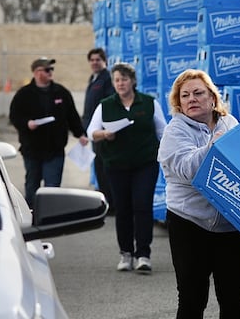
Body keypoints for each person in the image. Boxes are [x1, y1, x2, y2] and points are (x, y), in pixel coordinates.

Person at [157, 69, 240, 318]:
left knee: (234, 299)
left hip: (231, 226)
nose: (191, 99)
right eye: (185, 95)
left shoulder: (230, 123)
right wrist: (213, 146)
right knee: (192, 298)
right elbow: (188, 169)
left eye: (198, 93)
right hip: (189, 223)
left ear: (212, 97)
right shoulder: (174, 131)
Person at [86, 62, 166, 274]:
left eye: (124, 79)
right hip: (116, 164)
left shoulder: (149, 103)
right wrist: (104, 134)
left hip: (145, 163)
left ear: (133, 81)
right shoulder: (106, 105)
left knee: (142, 205)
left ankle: (143, 254)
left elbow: (163, 131)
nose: (120, 83)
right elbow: (91, 131)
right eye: (117, 80)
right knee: (123, 208)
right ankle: (126, 253)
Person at [9, 57, 88, 206]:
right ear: (37, 72)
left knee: (52, 187)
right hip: (32, 149)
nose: (50, 72)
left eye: (51, 69)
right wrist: (27, 123)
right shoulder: (24, 94)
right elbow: (14, 116)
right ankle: (32, 214)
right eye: (47, 69)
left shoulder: (61, 92)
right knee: (32, 185)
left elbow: (72, 115)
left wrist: (80, 134)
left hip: (55, 149)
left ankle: (50, 216)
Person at [82, 48, 116, 214]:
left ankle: (111, 204)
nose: (95, 62)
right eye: (92, 60)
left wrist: (102, 130)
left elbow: (108, 105)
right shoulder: (93, 78)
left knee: (104, 168)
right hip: (93, 132)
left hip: (102, 133)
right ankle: (107, 201)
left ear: (105, 61)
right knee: (99, 168)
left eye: (98, 59)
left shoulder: (107, 79)